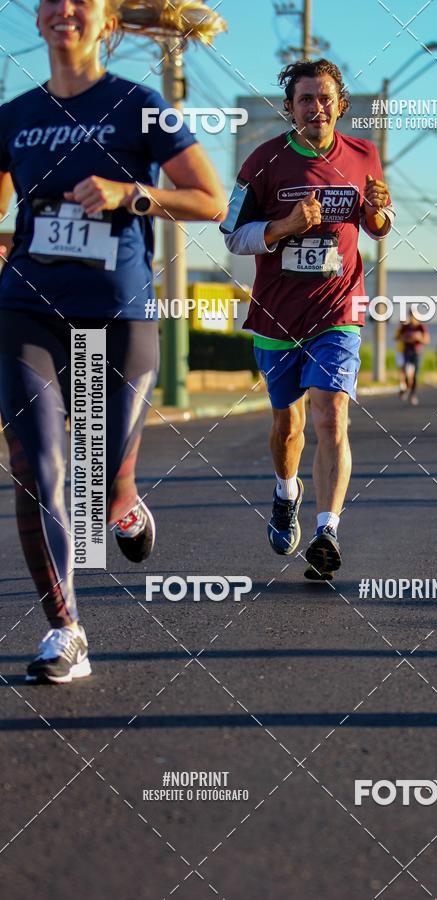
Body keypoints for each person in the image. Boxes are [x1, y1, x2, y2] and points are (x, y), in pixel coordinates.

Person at [0, 0, 227, 683]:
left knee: (100, 480)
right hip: (26, 310)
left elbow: (211, 200)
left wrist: (131, 194)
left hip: (118, 313)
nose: (65, 9)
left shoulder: (140, 104)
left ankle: (123, 501)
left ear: (107, 21)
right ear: (38, 21)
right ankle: (65, 630)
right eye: (52, 0)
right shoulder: (14, 115)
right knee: (36, 465)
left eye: (82, 0)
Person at [220, 58, 394, 580]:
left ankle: (327, 530)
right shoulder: (263, 162)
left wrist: (380, 215)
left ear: (340, 105)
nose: (316, 107)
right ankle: (285, 491)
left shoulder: (364, 154)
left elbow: (377, 222)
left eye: (325, 98)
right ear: (290, 108)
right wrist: (284, 226)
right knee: (288, 424)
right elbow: (232, 234)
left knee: (330, 415)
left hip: (338, 308)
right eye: (304, 99)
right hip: (277, 313)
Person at [394, 312, 429, 405]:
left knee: (415, 375)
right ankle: (405, 388)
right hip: (407, 352)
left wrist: (419, 338)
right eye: (411, 315)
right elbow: (398, 338)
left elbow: (426, 341)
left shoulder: (421, 327)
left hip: (417, 353)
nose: (413, 317)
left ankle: (413, 395)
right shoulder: (405, 327)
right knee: (405, 371)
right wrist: (407, 338)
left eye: (415, 316)